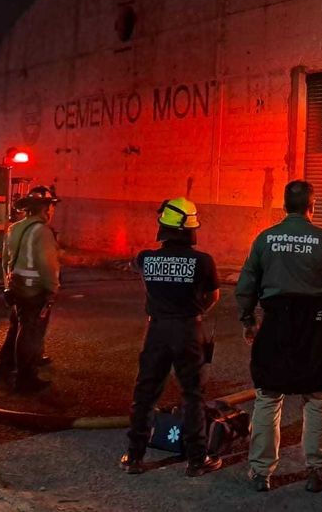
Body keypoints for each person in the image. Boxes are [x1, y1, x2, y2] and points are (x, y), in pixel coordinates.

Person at [235, 180, 322, 493]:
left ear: (285, 207)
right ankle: (317, 468)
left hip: (275, 324)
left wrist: (248, 319)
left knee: (268, 396)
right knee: (316, 397)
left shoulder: (265, 238)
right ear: (311, 207)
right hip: (316, 326)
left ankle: (261, 472)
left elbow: (246, 284)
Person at [120, 197, 221, 477]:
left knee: (145, 393)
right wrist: (195, 311)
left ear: (163, 227)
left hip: (157, 329)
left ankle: (134, 457)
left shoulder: (145, 259)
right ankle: (197, 460)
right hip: (188, 329)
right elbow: (213, 295)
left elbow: (140, 274)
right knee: (192, 395)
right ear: (190, 228)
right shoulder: (203, 261)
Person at [0, 185, 61, 393]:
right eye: (50, 206)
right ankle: (25, 379)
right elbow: (46, 264)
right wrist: (52, 289)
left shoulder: (14, 228)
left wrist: (8, 286)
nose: (51, 211)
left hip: (16, 288)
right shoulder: (42, 231)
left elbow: (5, 261)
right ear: (45, 209)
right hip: (34, 291)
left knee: (16, 327)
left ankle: (3, 369)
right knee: (29, 332)